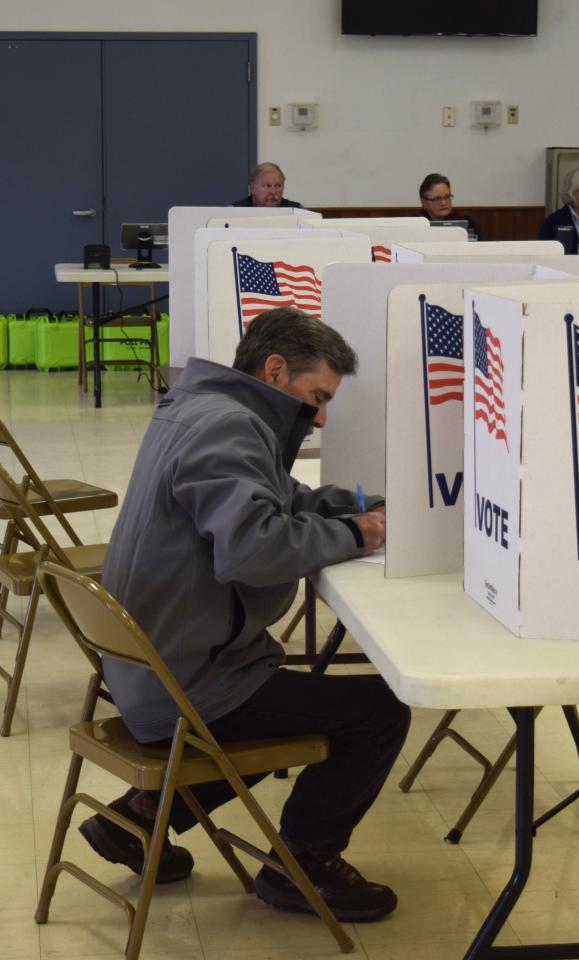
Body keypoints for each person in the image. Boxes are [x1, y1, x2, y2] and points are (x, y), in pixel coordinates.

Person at [79, 307, 410, 923]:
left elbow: (279, 500)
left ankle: (141, 817)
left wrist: (364, 508)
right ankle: (301, 866)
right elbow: (254, 549)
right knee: (379, 713)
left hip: (148, 666)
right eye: (318, 396)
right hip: (184, 685)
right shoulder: (228, 427)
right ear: (276, 368)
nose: (322, 415)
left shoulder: (204, 408)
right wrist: (358, 536)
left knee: (292, 697)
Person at [418, 172, 480, 238]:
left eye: (447, 197)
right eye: (437, 199)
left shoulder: (466, 222)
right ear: (424, 202)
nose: (443, 203)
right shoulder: (414, 224)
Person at [232, 161, 302, 208]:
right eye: (267, 186)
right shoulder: (234, 211)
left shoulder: (297, 210)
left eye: (278, 186)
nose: (273, 192)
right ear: (253, 189)